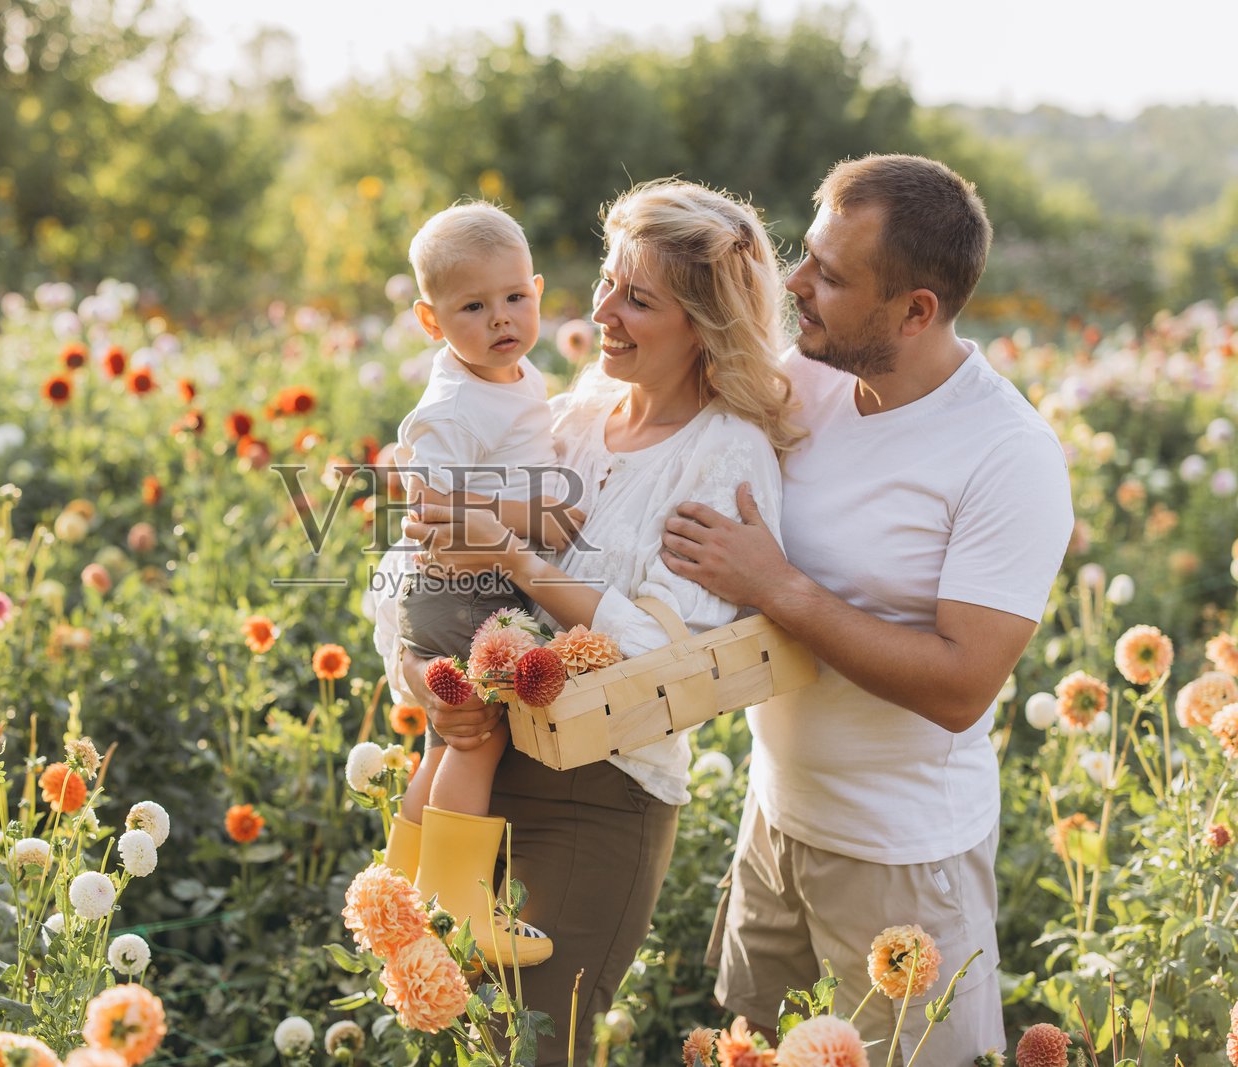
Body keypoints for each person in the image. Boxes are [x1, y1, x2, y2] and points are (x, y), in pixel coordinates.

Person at [370, 178, 803, 1064]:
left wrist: (518, 558)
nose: (599, 310)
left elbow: (667, 655)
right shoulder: (563, 418)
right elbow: (402, 568)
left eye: (637, 298)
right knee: (454, 1038)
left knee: (535, 1047)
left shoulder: (725, 456)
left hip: (598, 792)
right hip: (481, 769)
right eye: (606, 279)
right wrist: (427, 684)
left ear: (704, 326)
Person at [660, 155, 1073, 1062]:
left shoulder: (1009, 456)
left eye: (831, 277)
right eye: (808, 256)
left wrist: (778, 587)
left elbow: (963, 684)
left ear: (916, 310)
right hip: (776, 818)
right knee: (753, 1049)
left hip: (900, 861)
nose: (797, 285)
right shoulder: (804, 380)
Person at [385, 201, 584, 969]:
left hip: (471, 584)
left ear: (536, 289)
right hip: (458, 588)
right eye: (473, 307)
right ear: (432, 322)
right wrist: (529, 515)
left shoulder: (510, 372)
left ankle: (403, 877)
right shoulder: (454, 404)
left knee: (447, 735)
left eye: (514, 298)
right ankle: (463, 898)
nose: (501, 318)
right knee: (479, 732)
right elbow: (434, 512)